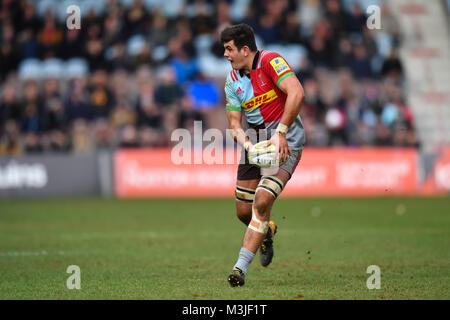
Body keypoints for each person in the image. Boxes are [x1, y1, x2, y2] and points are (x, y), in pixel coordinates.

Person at [221, 24, 306, 287]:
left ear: (245, 49)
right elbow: (234, 123)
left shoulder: (271, 61)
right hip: (255, 140)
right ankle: (266, 231)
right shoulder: (232, 81)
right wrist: (248, 146)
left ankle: (239, 269)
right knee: (243, 212)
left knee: (261, 202)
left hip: (285, 138)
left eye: (229, 49)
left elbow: (297, 92)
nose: (225, 55)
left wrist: (280, 132)